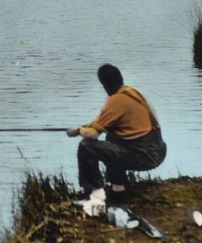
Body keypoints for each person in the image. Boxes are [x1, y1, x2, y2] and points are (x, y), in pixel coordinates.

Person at [67, 64, 166, 201]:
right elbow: (101, 123)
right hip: (158, 150)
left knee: (86, 146)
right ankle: (118, 187)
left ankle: (95, 191)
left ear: (104, 84)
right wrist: (87, 126)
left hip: (146, 155)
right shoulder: (132, 92)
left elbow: (93, 134)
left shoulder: (116, 100)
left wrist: (77, 131)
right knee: (112, 137)